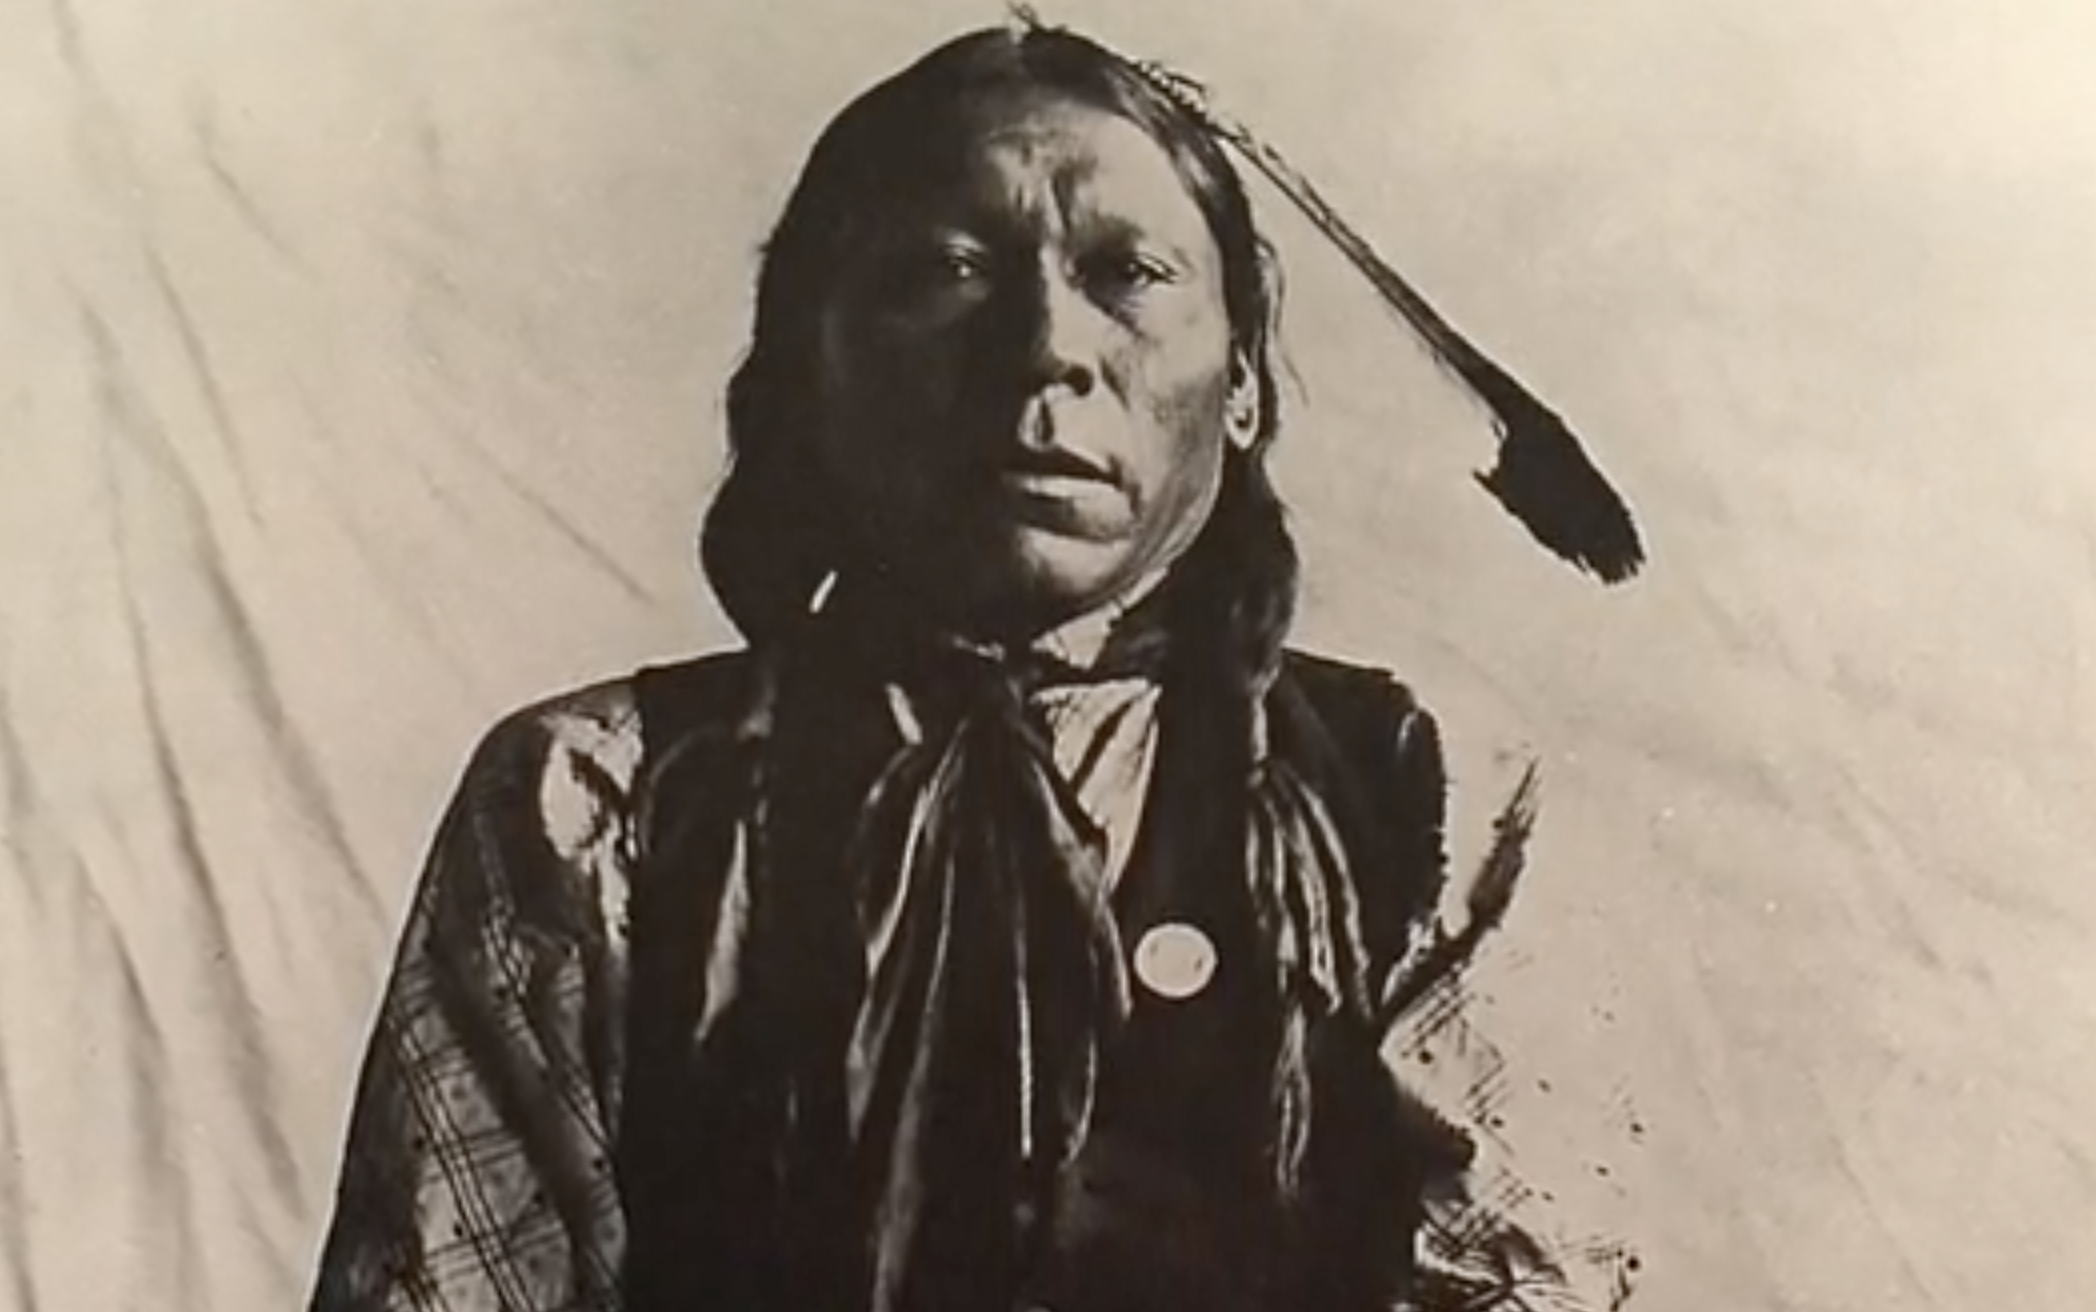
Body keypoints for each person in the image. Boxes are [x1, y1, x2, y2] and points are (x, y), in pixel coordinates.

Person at [310, 21, 1634, 1312]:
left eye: (1131, 272)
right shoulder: (593, 803)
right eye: (949, 269)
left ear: (1241, 383)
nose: (1047, 346)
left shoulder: (1433, 801)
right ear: (810, 365)